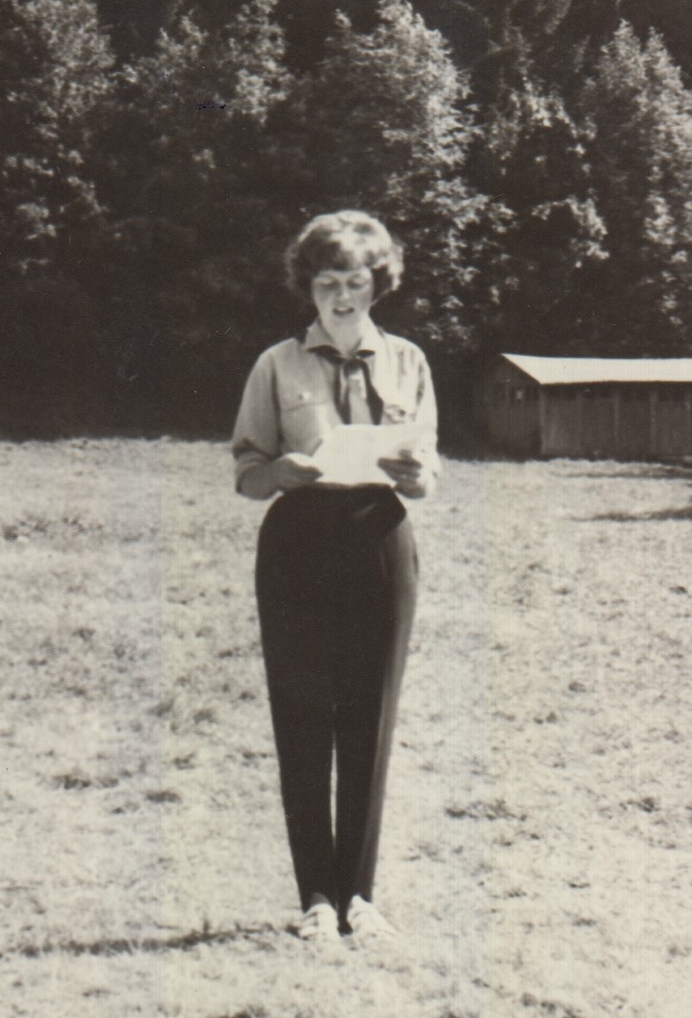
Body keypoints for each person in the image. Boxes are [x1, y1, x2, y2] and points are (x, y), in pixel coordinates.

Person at [231, 210, 437, 943]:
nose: (342, 298)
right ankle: (315, 896)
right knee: (302, 715)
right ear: (308, 288)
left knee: (370, 717)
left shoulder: (408, 361)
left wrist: (416, 474)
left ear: (376, 285)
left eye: (354, 282)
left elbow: (427, 470)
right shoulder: (276, 364)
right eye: (327, 284)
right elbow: (246, 469)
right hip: (299, 543)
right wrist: (278, 472)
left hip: (379, 540)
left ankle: (361, 897)